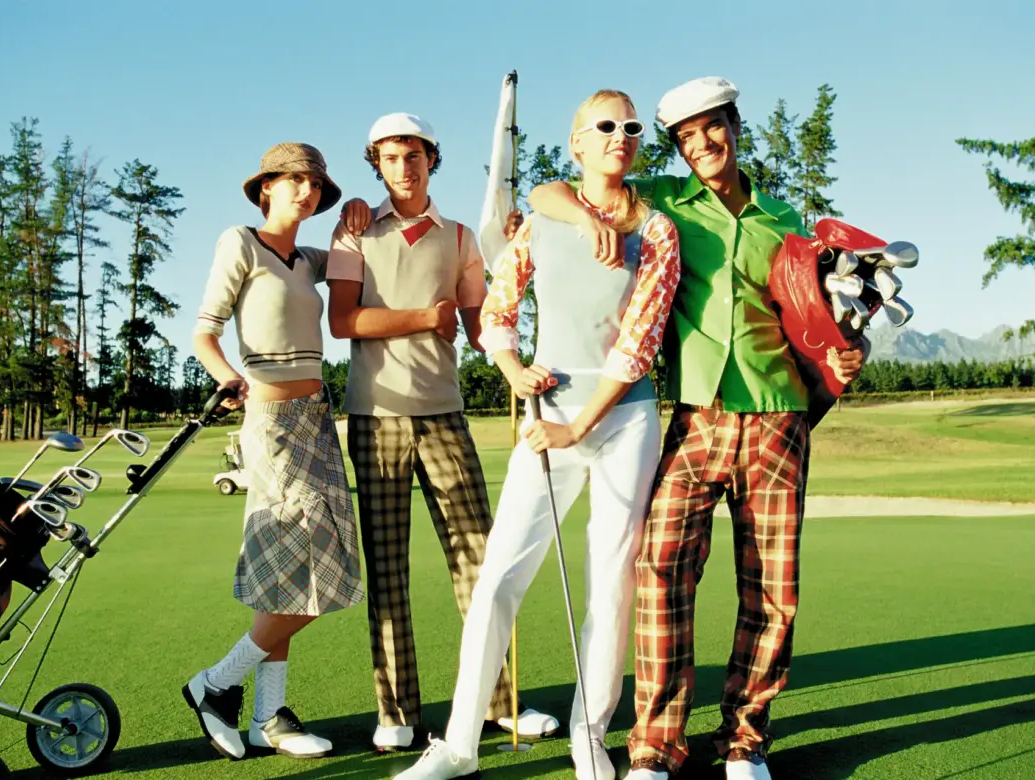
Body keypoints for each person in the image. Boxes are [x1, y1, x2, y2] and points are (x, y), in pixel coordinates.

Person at [529, 77, 868, 780]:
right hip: (695, 419)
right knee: (659, 573)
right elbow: (549, 191)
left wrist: (841, 355)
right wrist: (585, 219)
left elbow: (810, 319)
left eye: (712, 128)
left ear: (735, 127)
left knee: (771, 591)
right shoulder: (658, 203)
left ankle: (745, 742)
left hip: (778, 417)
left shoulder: (786, 221)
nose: (702, 144)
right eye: (685, 136)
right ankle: (655, 747)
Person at [395, 89, 681, 780]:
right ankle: (459, 746)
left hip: (622, 419)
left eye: (631, 127)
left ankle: (590, 737)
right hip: (545, 414)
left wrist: (576, 425)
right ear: (577, 142)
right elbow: (500, 304)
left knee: (610, 582)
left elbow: (639, 344)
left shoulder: (658, 231)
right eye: (604, 125)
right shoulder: (544, 218)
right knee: (499, 576)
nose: (620, 135)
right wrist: (512, 368)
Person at [327, 113, 558, 753]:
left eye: (415, 155)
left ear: (432, 159)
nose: (404, 167)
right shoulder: (353, 232)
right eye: (391, 157)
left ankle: (499, 703)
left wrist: (513, 271)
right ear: (377, 163)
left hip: (444, 414)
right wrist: (426, 317)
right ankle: (396, 712)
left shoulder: (459, 237)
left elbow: (483, 328)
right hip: (375, 416)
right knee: (388, 571)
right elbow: (344, 321)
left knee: (480, 562)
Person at [183, 142, 364, 761]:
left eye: (315, 185)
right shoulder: (240, 242)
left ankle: (268, 717)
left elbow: (359, 257)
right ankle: (216, 682)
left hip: (317, 419)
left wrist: (359, 214)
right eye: (293, 181)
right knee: (312, 560)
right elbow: (204, 331)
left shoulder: (310, 259)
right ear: (266, 188)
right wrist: (227, 377)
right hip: (271, 423)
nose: (305, 192)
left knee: (294, 570)